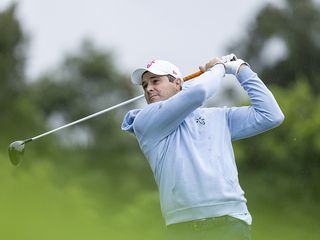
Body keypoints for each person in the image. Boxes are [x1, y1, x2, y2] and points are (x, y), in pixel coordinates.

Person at [121, 55, 284, 240]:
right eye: (144, 85)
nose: (149, 88)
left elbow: (271, 115)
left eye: (155, 81)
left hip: (231, 222)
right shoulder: (145, 121)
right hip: (182, 229)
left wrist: (240, 68)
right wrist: (220, 68)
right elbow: (198, 93)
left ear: (177, 84)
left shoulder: (219, 116)